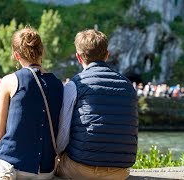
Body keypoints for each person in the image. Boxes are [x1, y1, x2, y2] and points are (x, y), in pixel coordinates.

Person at [0, 26, 63, 180]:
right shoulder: (58, 84)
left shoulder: (9, 81)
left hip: (14, 166)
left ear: (16, 56)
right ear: (42, 52)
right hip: (46, 170)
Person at [56, 29, 138, 180]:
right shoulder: (128, 86)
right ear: (107, 55)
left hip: (81, 169)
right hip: (120, 172)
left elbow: (61, 136)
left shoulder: (74, 85)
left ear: (78, 57)